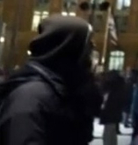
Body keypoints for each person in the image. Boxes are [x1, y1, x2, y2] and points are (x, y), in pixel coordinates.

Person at [0, 15, 98, 145]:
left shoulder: (63, 91)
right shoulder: (30, 98)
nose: (92, 53)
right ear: (68, 49)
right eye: (89, 45)